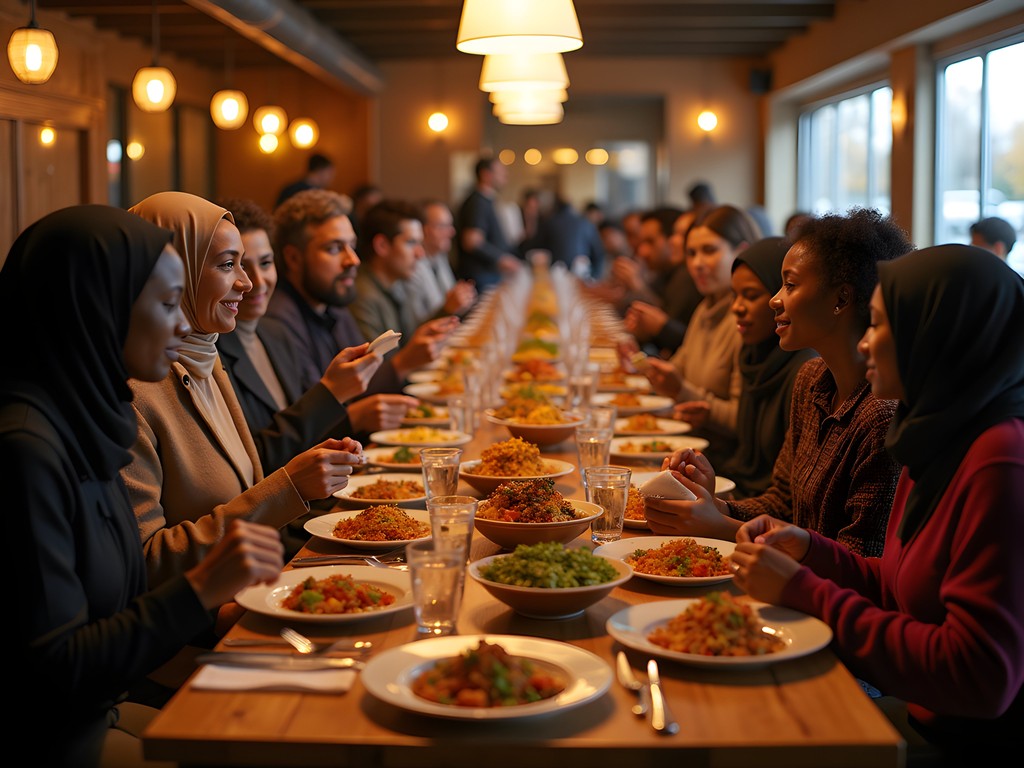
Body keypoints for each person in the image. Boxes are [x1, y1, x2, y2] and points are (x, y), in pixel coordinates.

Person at [5, 205, 285, 766]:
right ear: (98, 313)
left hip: (110, 705)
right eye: (164, 304)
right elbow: (56, 672)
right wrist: (204, 587)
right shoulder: (25, 450)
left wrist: (221, 611)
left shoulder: (88, 421)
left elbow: (122, 598)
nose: (183, 324)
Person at [730, 244, 1024, 756]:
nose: (864, 344)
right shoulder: (930, 433)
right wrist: (810, 551)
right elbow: (896, 584)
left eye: (881, 325)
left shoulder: (1001, 457)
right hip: (920, 711)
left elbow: (980, 678)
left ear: (935, 336)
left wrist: (807, 591)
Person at [125, 191, 364, 589]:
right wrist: (290, 486)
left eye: (254, 264)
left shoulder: (207, 357)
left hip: (260, 586)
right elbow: (147, 562)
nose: (247, 282)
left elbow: (247, 490)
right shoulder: (134, 393)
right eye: (227, 265)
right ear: (172, 271)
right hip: (204, 627)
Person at [647, 207, 911, 557]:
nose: (776, 299)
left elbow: (859, 559)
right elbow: (783, 502)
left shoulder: (880, 415)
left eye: (790, 284)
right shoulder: (812, 380)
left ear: (841, 299)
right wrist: (713, 504)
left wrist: (721, 526)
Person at [214, 197, 383, 470]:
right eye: (238, 265)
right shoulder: (211, 352)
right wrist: (330, 393)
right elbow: (253, 462)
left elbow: (304, 436)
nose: (255, 281)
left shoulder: (273, 332)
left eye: (266, 263)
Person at [265, 189, 455, 396]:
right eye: (334, 248)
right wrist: (403, 362)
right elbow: (313, 416)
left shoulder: (334, 305)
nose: (353, 260)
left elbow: (363, 381)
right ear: (293, 258)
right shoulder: (279, 324)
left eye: (352, 246)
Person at [640, 205, 762, 464]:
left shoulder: (748, 320)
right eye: (691, 253)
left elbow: (743, 421)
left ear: (740, 252)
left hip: (721, 464)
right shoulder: (705, 308)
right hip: (689, 452)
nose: (697, 264)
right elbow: (677, 370)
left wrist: (682, 391)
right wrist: (642, 366)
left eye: (709, 251)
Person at [621, 208, 702, 356]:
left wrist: (637, 287)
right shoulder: (668, 275)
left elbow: (686, 344)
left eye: (682, 235)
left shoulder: (686, 278)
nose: (673, 241)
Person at [350, 199, 431, 344]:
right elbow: (375, 363)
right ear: (382, 245)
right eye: (411, 243)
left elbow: (410, 343)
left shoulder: (397, 284)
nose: (420, 253)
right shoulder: (362, 297)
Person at [455, 155, 521, 291]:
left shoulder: (486, 200)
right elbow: (472, 241)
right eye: (501, 172)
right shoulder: (477, 202)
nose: (505, 175)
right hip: (480, 276)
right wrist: (502, 258)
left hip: (488, 274)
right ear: (485, 174)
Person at [406, 199, 477, 325]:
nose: (452, 232)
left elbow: (451, 303)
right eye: (445, 226)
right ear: (425, 230)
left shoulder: (439, 256)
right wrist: (448, 308)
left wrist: (463, 298)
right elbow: (414, 329)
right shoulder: (411, 267)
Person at [533, 195, 606, 279]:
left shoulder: (549, 222)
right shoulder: (586, 223)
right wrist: (594, 277)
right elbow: (599, 254)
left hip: (555, 276)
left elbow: (536, 248)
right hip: (582, 277)